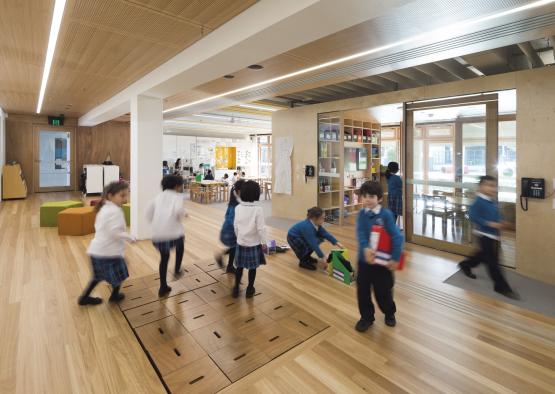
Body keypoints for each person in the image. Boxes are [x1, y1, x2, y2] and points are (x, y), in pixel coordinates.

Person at [458, 176, 519, 299]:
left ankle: (466, 264)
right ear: (481, 187)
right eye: (489, 185)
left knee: (483, 255)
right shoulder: (478, 202)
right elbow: (472, 216)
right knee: (493, 262)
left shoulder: (491, 201)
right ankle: (500, 286)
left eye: (494, 185)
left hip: (494, 235)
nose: (493, 188)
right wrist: (489, 223)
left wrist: (501, 222)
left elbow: (495, 215)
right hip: (484, 235)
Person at [355, 181, 403, 332]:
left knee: (383, 293)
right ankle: (366, 317)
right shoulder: (362, 214)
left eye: (371, 196)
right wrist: (365, 248)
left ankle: (389, 312)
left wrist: (395, 258)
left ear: (380, 198)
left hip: (382, 262)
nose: (368, 199)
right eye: (365, 196)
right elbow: (361, 233)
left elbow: (397, 237)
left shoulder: (386, 215)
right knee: (362, 291)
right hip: (364, 261)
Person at [78, 182, 135, 305]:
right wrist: (129, 237)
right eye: (122, 196)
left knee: (97, 276)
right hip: (108, 253)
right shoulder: (114, 211)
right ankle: (114, 296)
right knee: (119, 273)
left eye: (126, 195)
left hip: (97, 251)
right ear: (110, 196)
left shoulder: (105, 208)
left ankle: (84, 298)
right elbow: (114, 232)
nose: (125, 199)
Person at [146, 175, 187, 296]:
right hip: (174, 233)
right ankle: (177, 269)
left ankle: (163, 286)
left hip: (158, 235)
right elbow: (179, 211)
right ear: (176, 186)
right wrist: (183, 215)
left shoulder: (157, 197)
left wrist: (156, 224)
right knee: (180, 247)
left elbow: (148, 213)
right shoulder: (177, 197)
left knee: (164, 258)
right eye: (181, 185)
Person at [232, 180, 266, 298]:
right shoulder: (258, 209)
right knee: (252, 268)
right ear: (257, 193)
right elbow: (261, 229)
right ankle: (249, 289)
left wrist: (239, 237)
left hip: (241, 242)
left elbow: (235, 226)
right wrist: (264, 243)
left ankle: (236, 288)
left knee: (239, 267)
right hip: (254, 243)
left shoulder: (238, 208)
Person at [216, 179, 246, 274]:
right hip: (230, 231)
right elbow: (231, 221)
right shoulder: (236, 206)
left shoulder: (233, 203)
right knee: (237, 247)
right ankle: (222, 257)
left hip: (228, 230)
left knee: (234, 248)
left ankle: (229, 266)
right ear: (239, 191)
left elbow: (227, 216)